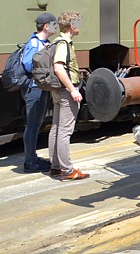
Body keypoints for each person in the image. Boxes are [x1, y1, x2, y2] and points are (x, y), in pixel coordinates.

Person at [48, 11, 89, 181]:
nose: (80, 25)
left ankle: (56, 167)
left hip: (57, 91)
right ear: (72, 26)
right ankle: (67, 170)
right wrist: (73, 89)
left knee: (56, 128)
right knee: (64, 131)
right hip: (65, 91)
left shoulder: (56, 41)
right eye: (78, 22)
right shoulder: (64, 43)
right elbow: (58, 67)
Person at [19, 13, 57, 173]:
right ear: (46, 26)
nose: (56, 27)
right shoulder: (35, 43)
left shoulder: (43, 42)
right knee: (33, 125)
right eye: (54, 24)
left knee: (36, 124)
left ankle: (32, 157)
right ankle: (30, 161)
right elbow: (28, 65)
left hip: (40, 87)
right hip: (34, 88)